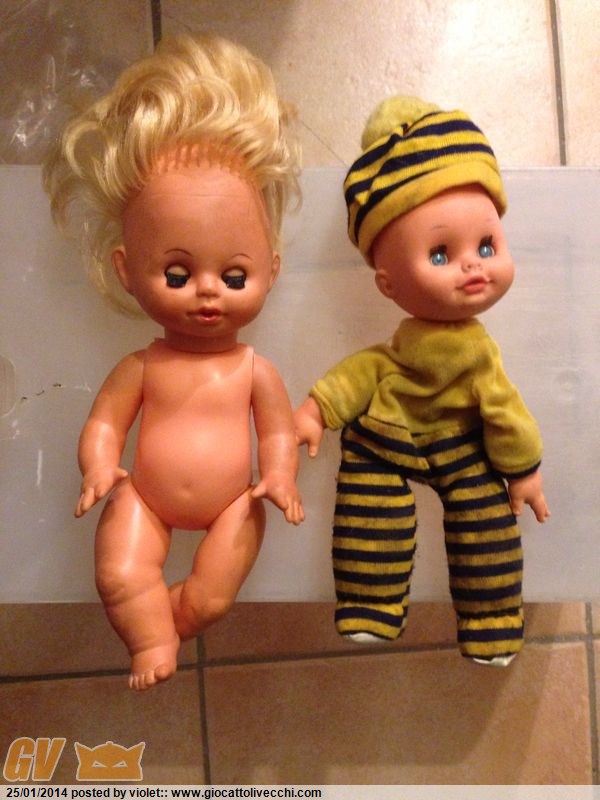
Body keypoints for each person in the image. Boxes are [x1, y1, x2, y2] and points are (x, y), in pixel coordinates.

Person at [44, 33, 303, 690]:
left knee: (212, 598)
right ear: (128, 272)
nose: (208, 291)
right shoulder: (141, 366)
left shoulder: (255, 370)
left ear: (271, 270)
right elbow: (105, 422)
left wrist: (278, 476)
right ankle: (151, 638)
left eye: (234, 276)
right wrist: (99, 464)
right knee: (117, 573)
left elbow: (277, 431)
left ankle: (171, 622)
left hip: (235, 504)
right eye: (178, 274)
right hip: (144, 497)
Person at [294, 96, 549, 666]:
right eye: (440, 253)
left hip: (464, 448)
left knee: (487, 523)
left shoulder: (479, 356)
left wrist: (522, 471)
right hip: (384, 438)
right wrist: (316, 410)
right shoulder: (396, 355)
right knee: (368, 505)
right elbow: (362, 373)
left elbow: (503, 411)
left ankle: (491, 621)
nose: (473, 264)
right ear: (387, 284)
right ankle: (369, 603)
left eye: (487, 246)